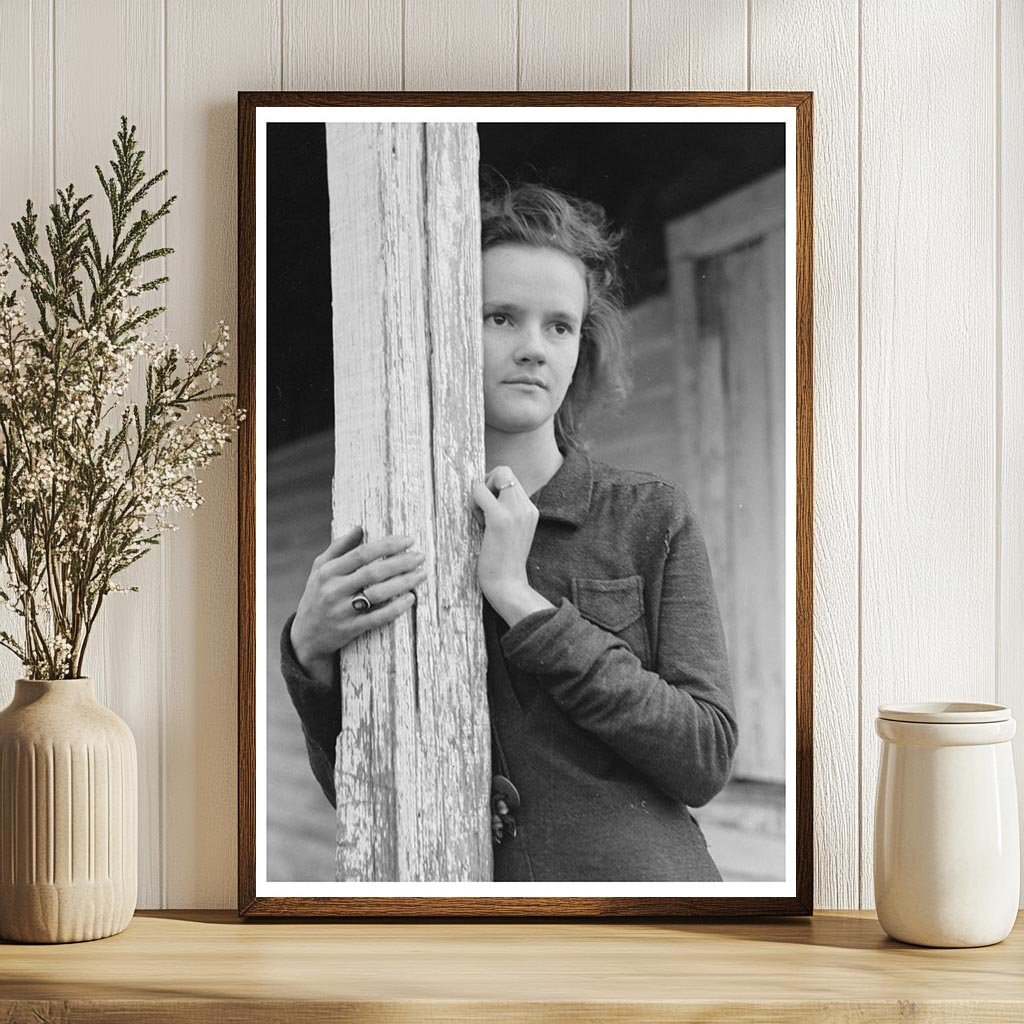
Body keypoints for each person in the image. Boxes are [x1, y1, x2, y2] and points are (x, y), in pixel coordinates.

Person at [280, 181, 738, 882]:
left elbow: (704, 757)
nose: (533, 348)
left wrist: (522, 601)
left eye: (559, 326)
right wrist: (309, 654)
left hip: (645, 914)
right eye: (501, 318)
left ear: (582, 345)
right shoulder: (401, 534)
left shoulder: (649, 515)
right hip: (474, 924)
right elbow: (362, 798)